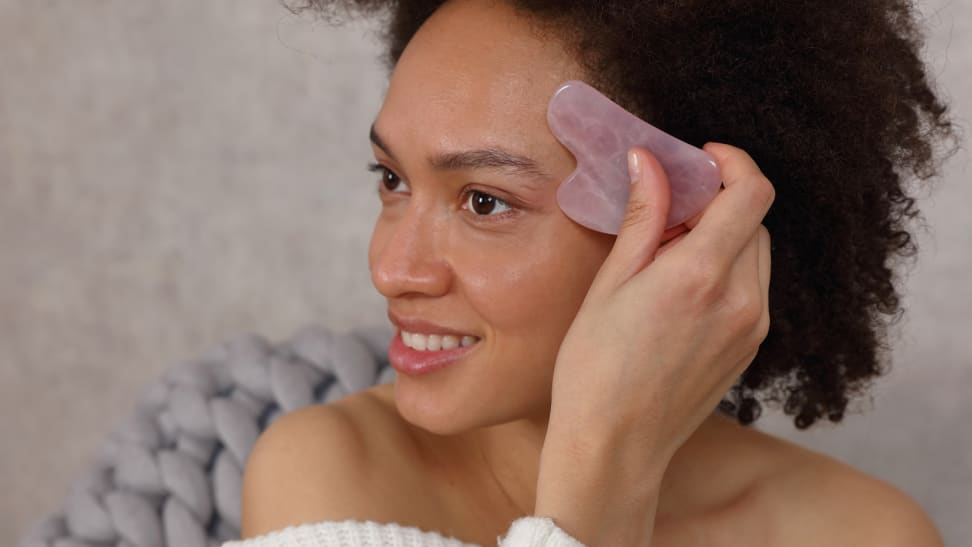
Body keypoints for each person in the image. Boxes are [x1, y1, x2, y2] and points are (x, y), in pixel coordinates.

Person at [232, 0, 956, 544]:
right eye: (391, 180)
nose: (392, 268)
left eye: (485, 201)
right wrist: (597, 489)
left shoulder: (866, 533)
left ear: (689, 227)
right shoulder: (332, 474)